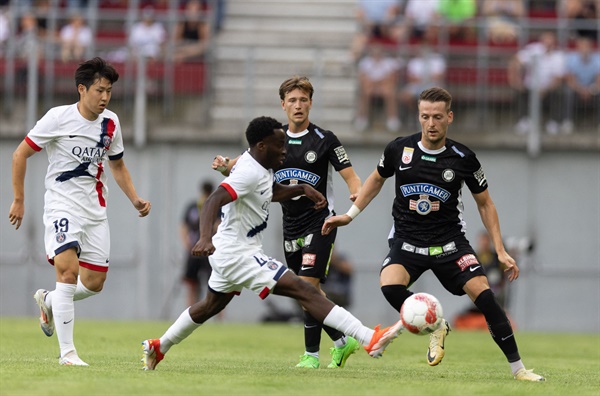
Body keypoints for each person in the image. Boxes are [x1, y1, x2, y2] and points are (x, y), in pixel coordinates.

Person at [141, 116, 402, 370]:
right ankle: (369, 338)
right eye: (280, 145)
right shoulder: (247, 172)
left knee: (210, 305)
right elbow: (213, 200)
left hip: (233, 252)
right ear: (262, 146)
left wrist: (301, 188)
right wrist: (205, 237)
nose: (285, 151)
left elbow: (271, 191)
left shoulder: (262, 167)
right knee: (305, 290)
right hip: (238, 253)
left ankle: (159, 346)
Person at [322, 87, 545, 382]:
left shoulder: (463, 158)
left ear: (449, 117)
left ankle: (519, 370)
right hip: (407, 240)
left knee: (488, 299)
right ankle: (437, 324)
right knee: (389, 286)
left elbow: (486, 204)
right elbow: (376, 180)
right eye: (425, 116)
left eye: (437, 117)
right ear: (419, 116)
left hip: (450, 243)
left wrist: (500, 250)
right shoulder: (398, 149)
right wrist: (349, 216)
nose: (431, 123)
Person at [212, 76, 363, 369]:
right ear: (283, 104)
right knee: (305, 291)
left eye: (303, 100)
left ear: (310, 103)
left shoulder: (325, 139)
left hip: (320, 223)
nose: (298, 105)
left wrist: (355, 190)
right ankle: (343, 341)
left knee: (306, 284)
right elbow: (242, 164)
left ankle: (311, 356)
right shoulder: (273, 138)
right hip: (289, 225)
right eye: (292, 100)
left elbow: (350, 173)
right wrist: (224, 165)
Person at [8, 57, 152, 366]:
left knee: (94, 283)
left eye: (109, 91)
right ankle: (68, 354)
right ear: (81, 89)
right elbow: (20, 154)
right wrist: (19, 199)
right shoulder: (57, 118)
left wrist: (135, 199)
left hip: (95, 211)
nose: (104, 97)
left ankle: (49, 300)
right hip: (62, 206)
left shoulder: (111, 123)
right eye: (99, 90)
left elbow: (118, 165)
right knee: (68, 272)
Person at [507, 31, 567, 135]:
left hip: (548, 89)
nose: (548, 44)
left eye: (550, 41)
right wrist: (516, 79)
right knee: (519, 91)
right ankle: (524, 121)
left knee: (559, 92)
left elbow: (558, 78)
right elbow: (516, 61)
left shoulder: (559, 56)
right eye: (546, 40)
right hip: (530, 87)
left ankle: (554, 122)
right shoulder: (533, 50)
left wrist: (545, 89)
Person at [180, 180, 219, 307]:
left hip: (209, 251)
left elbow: (219, 226)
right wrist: (186, 243)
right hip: (195, 250)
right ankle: (190, 311)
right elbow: (184, 226)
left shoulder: (216, 207)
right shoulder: (193, 207)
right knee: (192, 283)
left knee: (215, 284)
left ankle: (216, 315)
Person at [355, 41, 402, 132]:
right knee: (365, 91)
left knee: (390, 92)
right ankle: (362, 118)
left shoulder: (389, 62)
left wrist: (378, 83)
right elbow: (362, 78)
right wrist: (376, 83)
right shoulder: (365, 62)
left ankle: (392, 119)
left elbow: (392, 78)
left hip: (384, 87)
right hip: (370, 87)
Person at [563, 34, 600, 133]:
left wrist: (591, 90)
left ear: (591, 47)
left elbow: (598, 79)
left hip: (593, 89)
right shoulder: (571, 58)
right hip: (577, 89)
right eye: (582, 46)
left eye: (587, 46)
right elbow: (571, 80)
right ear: (578, 47)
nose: (584, 49)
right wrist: (581, 90)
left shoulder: (597, 58)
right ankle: (567, 121)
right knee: (567, 92)